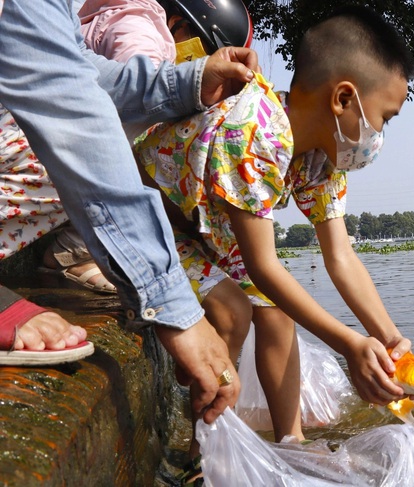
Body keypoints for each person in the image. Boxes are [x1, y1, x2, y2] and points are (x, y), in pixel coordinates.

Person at [135, 4, 414, 418]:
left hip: (199, 226)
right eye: (384, 118)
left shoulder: (323, 159)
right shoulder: (254, 130)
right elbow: (263, 266)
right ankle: (201, 452)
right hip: (147, 217)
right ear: (343, 98)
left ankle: (290, 443)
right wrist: (350, 345)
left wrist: (389, 339)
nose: (378, 135)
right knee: (233, 310)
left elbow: (341, 258)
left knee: (277, 313)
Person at [0, 0, 259, 422]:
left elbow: (83, 70)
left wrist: (189, 84)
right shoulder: (140, 24)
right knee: (66, 145)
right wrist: (172, 305)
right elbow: (67, 100)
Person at [77, 0, 307, 450]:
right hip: (112, 201)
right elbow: (124, 111)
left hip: (153, 209)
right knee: (230, 311)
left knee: (257, 312)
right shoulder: (139, 30)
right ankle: (207, 442)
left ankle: (256, 440)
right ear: (179, 26)